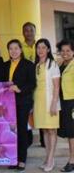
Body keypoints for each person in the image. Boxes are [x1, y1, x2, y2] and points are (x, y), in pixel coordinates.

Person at [2, 39, 36, 171]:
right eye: (10, 49)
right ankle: (13, 158)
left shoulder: (28, 65)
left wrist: (19, 88)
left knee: (21, 130)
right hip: (7, 103)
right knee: (10, 131)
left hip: (22, 102)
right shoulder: (5, 65)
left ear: (21, 50)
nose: (13, 51)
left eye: (16, 48)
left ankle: (22, 159)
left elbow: (32, 84)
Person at [33, 38, 61, 172]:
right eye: (38, 47)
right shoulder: (36, 65)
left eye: (43, 47)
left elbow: (56, 87)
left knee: (51, 130)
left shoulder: (53, 64)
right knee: (44, 130)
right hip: (39, 102)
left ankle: (51, 159)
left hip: (50, 102)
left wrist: (54, 103)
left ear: (48, 49)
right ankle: (47, 158)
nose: (40, 50)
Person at [57, 40, 74, 172]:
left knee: (72, 133)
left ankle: (72, 161)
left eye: (68, 50)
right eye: (62, 50)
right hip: (64, 102)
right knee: (69, 133)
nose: (65, 53)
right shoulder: (61, 64)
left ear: (73, 52)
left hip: (72, 102)